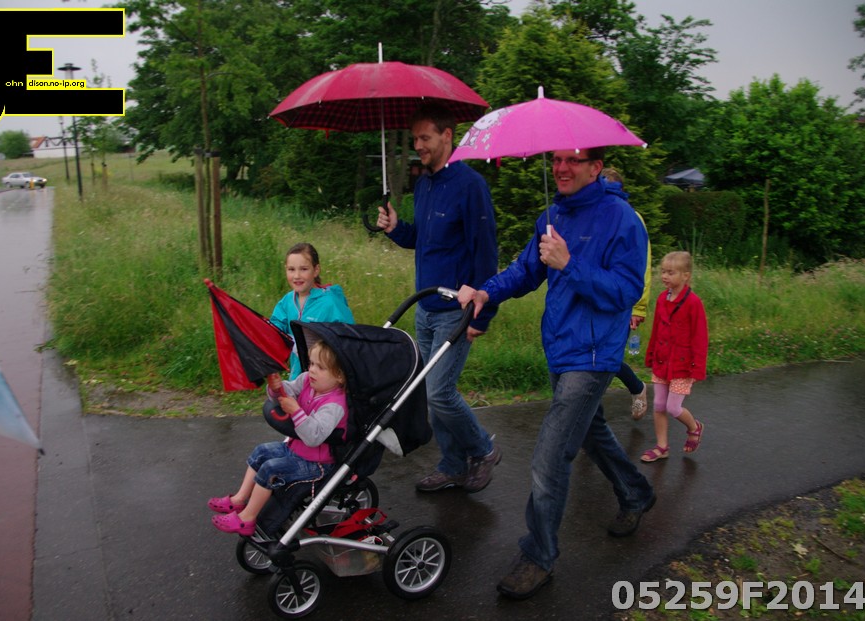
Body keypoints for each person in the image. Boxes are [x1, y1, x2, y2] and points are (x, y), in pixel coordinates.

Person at [457, 147, 656, 600]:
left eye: (573, 160)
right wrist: (487, 293)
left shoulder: (622, 220)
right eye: (557, 160)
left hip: (595, 354)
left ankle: (539, 556)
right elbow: (526, 271)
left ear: (596, 167)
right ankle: (636, 493)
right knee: (590, 433)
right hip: (561, 347)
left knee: (550, 455)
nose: (561, 168)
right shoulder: (553, 216)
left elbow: (625, 291)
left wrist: (571, 264)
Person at [375, 102, 501, 494]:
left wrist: (482, 316)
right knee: (431, 395)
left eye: (425, 138)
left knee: (439, 392)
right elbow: (423, 240)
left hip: (457, 311)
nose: (418, 146)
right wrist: (395, 228)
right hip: (425, 306)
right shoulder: (424, 185)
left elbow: (486, 255)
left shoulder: (471, 185)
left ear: (447, 135)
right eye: (415, 139)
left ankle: (483, 450)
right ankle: (452, 465)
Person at [209, 339, 348, 536]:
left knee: (271, 469)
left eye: (321, 367)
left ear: (339, 376)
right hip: (296, 449)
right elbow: (287, 392)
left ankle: (247, 517)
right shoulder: (307, 381)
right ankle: (239, 500)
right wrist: (277, 388)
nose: (312, 370)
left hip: (316, 464)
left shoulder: (334, 405)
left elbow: (314, 437)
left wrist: (296, 411)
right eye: (311, 363)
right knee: (262, 451)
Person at [640, 250, 708, 462]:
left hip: (682, 366)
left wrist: (697, 368)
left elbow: (700, 337)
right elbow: (656, 330)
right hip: (661, 361)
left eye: (670, 273)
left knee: (672, 407)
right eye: (663, 272)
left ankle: (694, 427)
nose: (664, 276)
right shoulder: (662, 299)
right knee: (659, 405)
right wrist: (651, 354)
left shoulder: (693, 303)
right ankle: (662, 447)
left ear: (685, 275)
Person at [601, 167, 651, 420]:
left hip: (624, 303)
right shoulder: (595, 215)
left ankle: (637, 388)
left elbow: (643, 265)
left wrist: (638, 307)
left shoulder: (633, 218)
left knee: (606, 357)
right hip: (599, 301)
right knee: (597, 355)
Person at [269, 242, 354, 379]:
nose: (297, 276)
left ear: (316, 270)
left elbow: (349, 341)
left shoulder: (331, 303)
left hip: (327, 382)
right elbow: (273, 331)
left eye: (303, 269)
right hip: (297, 379)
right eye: (291, 269)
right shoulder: (287, 301)